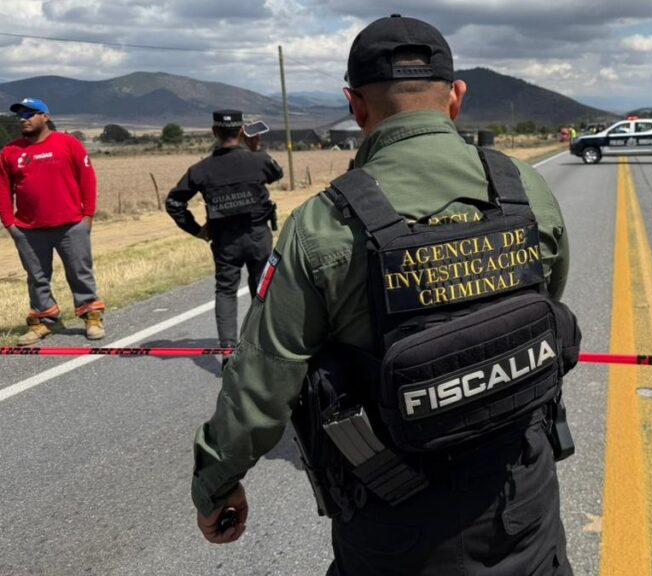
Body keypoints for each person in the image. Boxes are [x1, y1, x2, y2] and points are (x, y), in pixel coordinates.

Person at [190, 14, 579, 576]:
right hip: (524, 503)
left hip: (396, 527)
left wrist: (216, 483)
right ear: (456, 97)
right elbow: (544, 303)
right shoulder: (526, 191)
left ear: (355, 106)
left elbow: (260, 385)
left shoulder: (320, 227)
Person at [165, 110, 283, 356]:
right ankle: (262, 348)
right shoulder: (258, 160)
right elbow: (277, 173)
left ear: (214, 132)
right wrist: (255, 148)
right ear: (241, 131)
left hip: (224, 242)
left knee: (226, 291)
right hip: (258, 236)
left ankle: (228, 349)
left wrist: (196, 230)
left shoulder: (201, 169)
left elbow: (174, 203)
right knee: (262, 289)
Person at [0, 97, 106, 345]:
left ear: (45, 117)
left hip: (71, 225)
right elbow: (3, 190)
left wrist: (87, 217)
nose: (23, 119)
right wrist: (10, 224)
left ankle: (91, 315)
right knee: (37, 277)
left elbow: (87, 179)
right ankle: (44, 320)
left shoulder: (68, 143)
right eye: (20, 115)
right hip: (28, 229)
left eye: (30, 114)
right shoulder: (10, 152)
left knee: (80, 272)